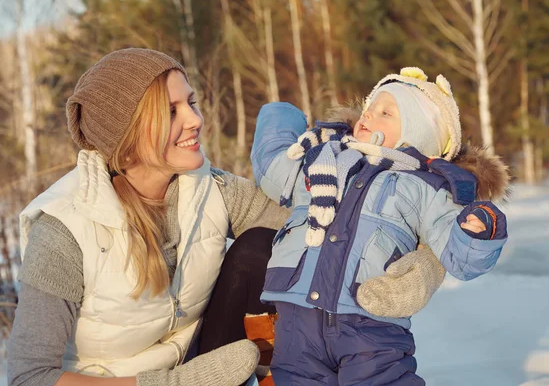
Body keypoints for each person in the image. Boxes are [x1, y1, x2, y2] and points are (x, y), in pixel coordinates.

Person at [7, 48, 290, 386]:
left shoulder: (209, 187)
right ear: (127, 141)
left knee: (262, 246)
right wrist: (174, 383)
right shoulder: (64, 230)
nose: (195, 120)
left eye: (191, 102)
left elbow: (308, 227)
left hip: (202, 367)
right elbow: (29, 377)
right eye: (171, 112)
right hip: (124, 381)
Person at [250, 67, 509, 385]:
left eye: (385, 112)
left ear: (419, 135)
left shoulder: (423, 186)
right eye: (369, 108)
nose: (368, 115)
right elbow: (272, 165)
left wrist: (478, 232)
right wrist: (281, 114)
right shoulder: (321, 161)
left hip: (369, 324)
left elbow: (459, 256)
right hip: (296, 319)